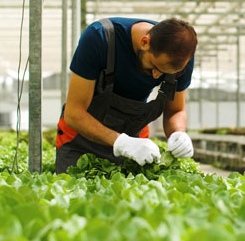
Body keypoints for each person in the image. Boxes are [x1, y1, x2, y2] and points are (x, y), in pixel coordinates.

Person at [55, 17, 198, 173]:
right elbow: (74, 114)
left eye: (165, 74)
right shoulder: (100, 38)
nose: (156, 76)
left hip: (134, 141)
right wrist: (122, 143)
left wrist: (178, 133)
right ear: (145, 42)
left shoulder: (180, 59)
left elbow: (175, 110)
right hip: (80, 140)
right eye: (154, 67)